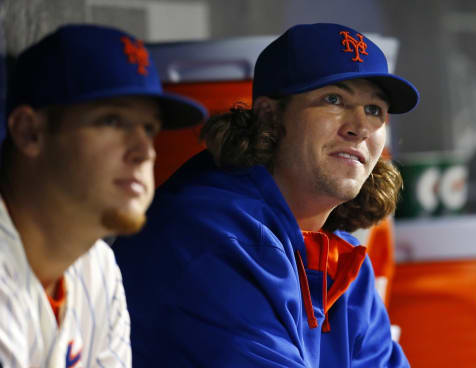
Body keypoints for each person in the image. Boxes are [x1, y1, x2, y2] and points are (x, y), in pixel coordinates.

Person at [113, 23, 419, 367]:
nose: (359, 126)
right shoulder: (212, 236)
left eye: (374, 110)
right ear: (269, 116)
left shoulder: (345, 266)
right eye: (334, 99)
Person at [0, 24, 206, 367]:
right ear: (29, 131)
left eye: (150, 128)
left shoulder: (98, 266)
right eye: (112, 120)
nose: (145, 151)